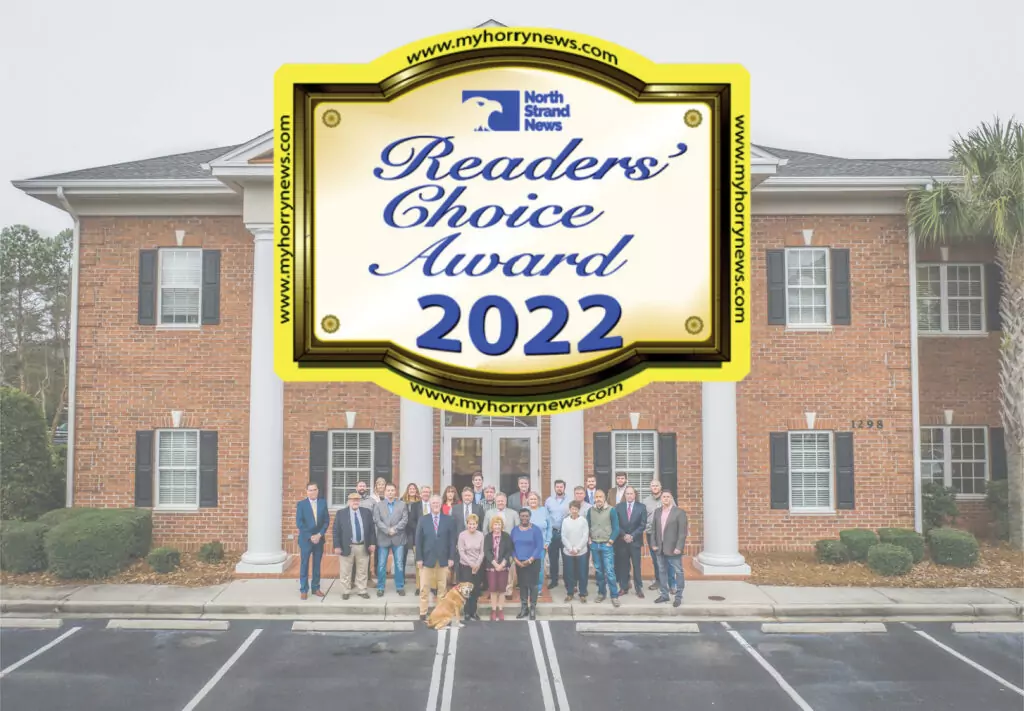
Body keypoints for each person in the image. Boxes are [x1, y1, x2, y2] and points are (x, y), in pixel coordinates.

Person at [415, 494, 456, 622]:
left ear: (441, 504)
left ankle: (439, 613)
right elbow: (418, 540)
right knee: (424, 588)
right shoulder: (423, 519)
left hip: (443, 559)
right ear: (430, 505)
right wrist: (419, 558)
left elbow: (452, 540)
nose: (436, 505)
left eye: (438, 503)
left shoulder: (448, 520)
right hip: (427, 559)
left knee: (442, 589)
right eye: (433, 503)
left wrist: (451, 557)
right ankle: (423, 612)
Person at [333, 491, 375, 599]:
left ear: (359, 501)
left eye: (357, 500)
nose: (355, 502)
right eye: (353, 500)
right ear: (349, 501)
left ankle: (362, 590)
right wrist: (337, 546)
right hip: (347, 546)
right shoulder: (341, 513)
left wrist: (372, 543)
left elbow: (372, 530)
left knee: (362, 569)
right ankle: (346, 591)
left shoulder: (366, 512)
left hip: (363, 545)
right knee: (345, 570)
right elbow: (336, 531)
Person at [651, 490, 687, 607]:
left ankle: (678, 596)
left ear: (671, 498)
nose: (665, 498)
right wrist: (653, 544)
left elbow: (682, 532)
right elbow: (653, 530)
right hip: (660, 548)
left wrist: (679, 547)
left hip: (673, 548)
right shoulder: (657, 512)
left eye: (668, 497)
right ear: (661, 499)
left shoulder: (679, 512)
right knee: (662, 571)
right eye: (663, 497)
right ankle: (664, 595)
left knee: (678, 571)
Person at [373, 483, 408, 597]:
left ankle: (399, 586)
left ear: (395, 492)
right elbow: (377, 520)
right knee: (382, 564)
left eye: (392, 490)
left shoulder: (402, 504)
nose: (390, 492)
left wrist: (395, 529)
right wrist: (387, 530)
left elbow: (404, 519)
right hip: (384, 538)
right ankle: (380, 587)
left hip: (398, 538)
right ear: (385, 491)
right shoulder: (378, 505)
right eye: (388, 490)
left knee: (399, 563)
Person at [295, 482, 329, 600]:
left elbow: (326, 521)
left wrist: (319, 534)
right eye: (310, 490)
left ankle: (315, 588)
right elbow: (299, 523)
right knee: (304, 564)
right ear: (306, 491)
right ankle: (304, 589)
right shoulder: (301, 505)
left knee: (317, 565)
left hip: (319, 539)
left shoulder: (322, 503)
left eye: (314, 490)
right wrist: (311, 536)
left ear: (318, 491)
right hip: (306, 540)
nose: (312, 492)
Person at [586, 489, 620, 607]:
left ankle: (614, 596)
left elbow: (616, 528)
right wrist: (589, 539)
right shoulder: (590, 510)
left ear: (604, 498)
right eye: (596, 497)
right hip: (595, 544)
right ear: (594, 498)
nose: (598, 499)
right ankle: (601, 593)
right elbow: (588, 526)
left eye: (601, 497)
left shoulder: (611, 510)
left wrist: (610, 541)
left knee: (610, 571)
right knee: (599, 571)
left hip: (606, 545)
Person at [510, 508, 544, 620]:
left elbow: (539, 546)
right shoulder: (514, 530)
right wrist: (516, 560)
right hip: (519, 563)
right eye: (522, 516)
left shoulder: (536, 530)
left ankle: (533, 608)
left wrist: (530, 560)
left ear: (530, 517)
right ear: (519, 517)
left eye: (526, 516)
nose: (524, 518)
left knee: (533, 585)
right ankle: (524, 608)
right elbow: (512, 547)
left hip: (533, 561)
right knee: (523, 585)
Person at [484, 492, 519, 599]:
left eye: (502, 501)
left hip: (508, 545)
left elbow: (517, 529)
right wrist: (487, 543)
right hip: (493, 545)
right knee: (493, 569)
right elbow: (485, 529)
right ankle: (493, 590)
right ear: (495, 501)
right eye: (498, 501)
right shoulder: (489, 513)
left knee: (508, 568)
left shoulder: (513, 513)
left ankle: (507, 591)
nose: (500, 502)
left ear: (506, 501)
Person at [614, 485, 646, 597]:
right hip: (622, 541)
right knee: (623, 565)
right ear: (625, 495)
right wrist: (624, 535)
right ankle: (624, 587)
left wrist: (632, 535)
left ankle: (638, 588)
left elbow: (642, 525)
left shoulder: (641, 507)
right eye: (627, 493)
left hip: (635, 541)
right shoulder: (618, 507)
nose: (629, 495)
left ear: (635, 495)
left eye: (631, 493)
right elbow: (616, 524)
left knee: (636, 566)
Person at [643, 480, 674, 593]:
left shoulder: (667, 498)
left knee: (669, 559)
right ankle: (659, 580)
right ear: (650, 488)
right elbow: (643, 517)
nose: (654, 487)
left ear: (660, 487)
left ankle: (672, 584)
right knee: (655, 559)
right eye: (652, 486)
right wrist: (647, 526)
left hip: (666, 534)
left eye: (656, 485)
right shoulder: (646, 501)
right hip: (652, 534)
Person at [483, 515, 514, 621]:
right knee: (493, 589)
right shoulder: (488, 536)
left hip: (503, 566)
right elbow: (486, 551)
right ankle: (493, 609)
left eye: (499, 524)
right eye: (495, 524)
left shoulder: (506, 536)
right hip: (491, 566)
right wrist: (495, 564)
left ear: (502, 526)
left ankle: (500, 610)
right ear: (492, 525)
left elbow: (509, 551)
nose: (497, 526)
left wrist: (503, 564)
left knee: (501, 589)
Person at [457, 513, 485, 622]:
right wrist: (471, 564)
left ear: (477, 525)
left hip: (477, 566)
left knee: (476, 590)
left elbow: (482, 552)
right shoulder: (462, 535)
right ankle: (467, 612)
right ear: (467, 524)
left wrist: (477, 564)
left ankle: (474, 611)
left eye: (474, 524)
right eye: (470, 524)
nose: (472, 526)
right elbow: (461, 551)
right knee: (466, 591)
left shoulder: (481, 535)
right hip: (465, 566)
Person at [561, 500, 589, 603]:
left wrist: (577, 548)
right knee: (569, 573)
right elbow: (563, 536)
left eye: (576, 509)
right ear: (569, 509)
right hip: (568, 552)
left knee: (582, 573)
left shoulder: (583, 520)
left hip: (581, 552)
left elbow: (585, 535)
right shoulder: (565, 521)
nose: (574, 511)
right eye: (572, 509)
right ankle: (570, 593)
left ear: (579, 510)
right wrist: (570, 548)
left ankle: (582, 593)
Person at [525, 492, 551, 596]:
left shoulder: (544, 510)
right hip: (527, 545)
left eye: (535, 499)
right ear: (528, 501)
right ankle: (528, 587)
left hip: (541, 544)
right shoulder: (524, 511)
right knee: (527, 567)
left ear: (538, 500)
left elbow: (549, 527)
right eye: (531, 499)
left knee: (539, 568)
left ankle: (538, 589)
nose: (533, 501)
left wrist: (548, 541)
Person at [545, 480, 568, 589]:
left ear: (564, 488)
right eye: (557, 486)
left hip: (565, 533)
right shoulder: (549, 501)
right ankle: (554, 581)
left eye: (561, 486)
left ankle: (568, 580)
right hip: (552, 533)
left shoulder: (570, 500)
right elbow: (545, 516)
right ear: (554, 488)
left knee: (566, 558)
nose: (559, 488)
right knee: (553, 558)